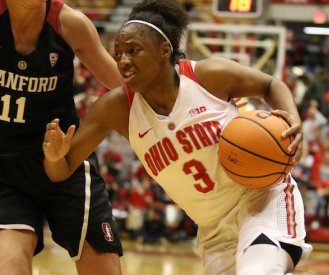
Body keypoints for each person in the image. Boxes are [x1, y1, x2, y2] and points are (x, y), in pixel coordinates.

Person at [42, 0, 311, 274]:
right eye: (119, 52)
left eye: (133, 51)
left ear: (164, 50)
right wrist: (54, 157)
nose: (122, 61)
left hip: (261, 198)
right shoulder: (114, 109)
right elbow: (61, 171)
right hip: (213, 229)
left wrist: (291, 116)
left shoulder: (208, 76)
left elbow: (269, 84)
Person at [0, 0, 123, 274]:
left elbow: (125, 91)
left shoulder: (70, 24)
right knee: (9, 265)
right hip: (7, 170)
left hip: (66, 161)